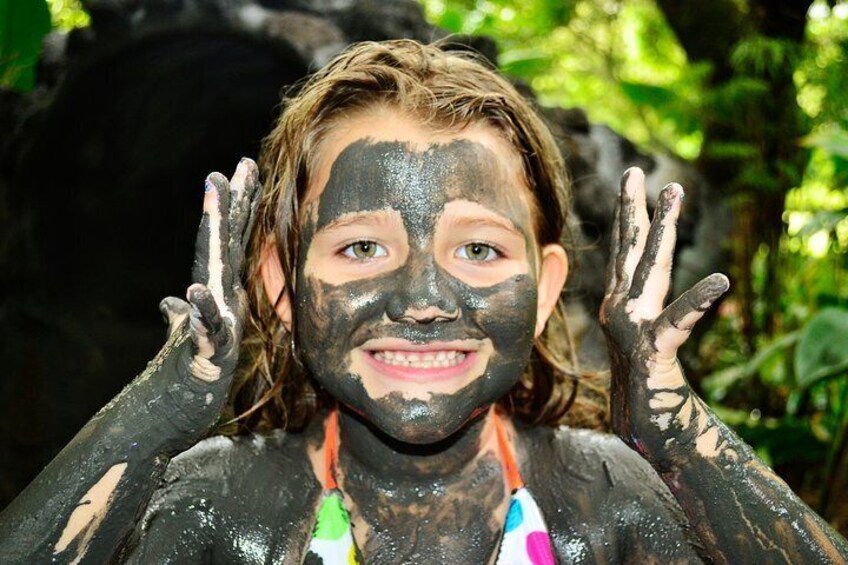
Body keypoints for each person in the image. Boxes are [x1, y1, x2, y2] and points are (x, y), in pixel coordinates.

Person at [1, 39, 846, 564]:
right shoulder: (228, 505)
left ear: (546, 286)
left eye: (478, 249)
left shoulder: (599, 496)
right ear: (279, 288)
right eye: (362, 247)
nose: (423, 297)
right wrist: (158, 412)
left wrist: (680, 436)